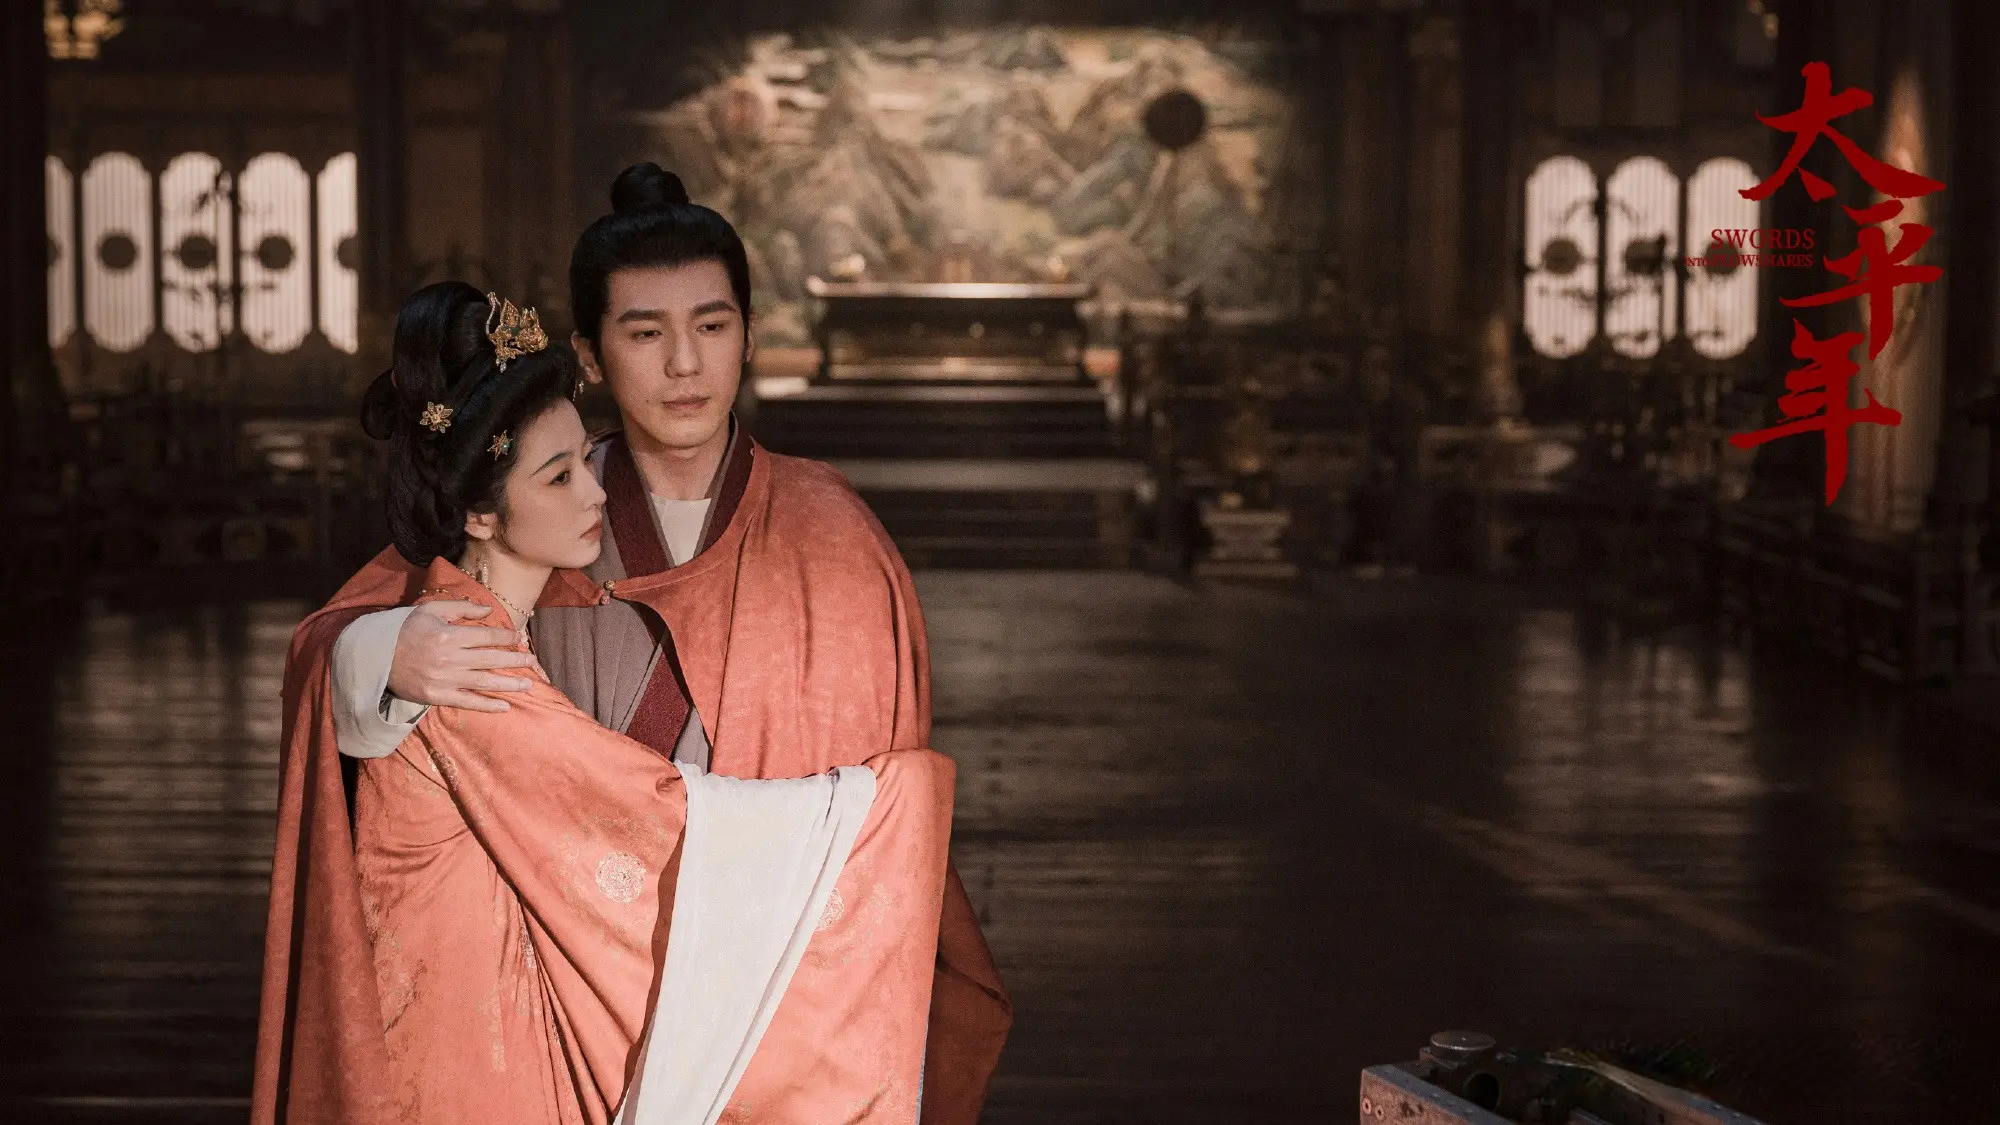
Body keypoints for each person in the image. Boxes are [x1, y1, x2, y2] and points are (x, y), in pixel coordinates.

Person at [258, 165, 1011, 1123]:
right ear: (590, 352)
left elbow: (875, 833)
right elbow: (331, 642)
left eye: (713, 326)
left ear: (750, 335)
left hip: (775, 987)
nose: (685, 365)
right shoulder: (534, 502)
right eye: (646, 333)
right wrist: (383, 652)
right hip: (558, 984)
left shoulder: (836, 535)